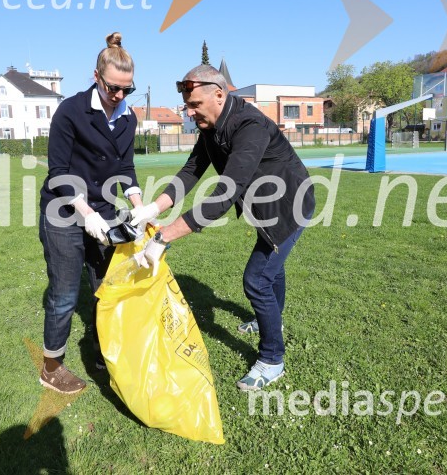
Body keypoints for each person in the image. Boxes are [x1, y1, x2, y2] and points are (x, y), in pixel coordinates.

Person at [130, 65, 315, 391]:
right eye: (187, 106)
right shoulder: (210, 126)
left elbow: (225, 193)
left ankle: (273, 359)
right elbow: (191, 172)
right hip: (266, 210)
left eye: (194, 105)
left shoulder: (250, 125)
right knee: (273, 271)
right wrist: (152, 208)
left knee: (257, 279)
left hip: (290, 208)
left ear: (219, 94)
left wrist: (163, 237)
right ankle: (272, 321)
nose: (189, 113)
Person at [38, 32, 143, 394]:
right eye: (114, 87)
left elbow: (126, 170)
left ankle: (104, 351)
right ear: (96, 77)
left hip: (101, 208)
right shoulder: (71, 111)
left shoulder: (129, 119)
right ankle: (51, 368)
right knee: (65, 293)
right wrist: (86, 214)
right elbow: (58, 173)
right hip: (63, 211)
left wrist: (139, 207)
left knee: (106, 287)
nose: (119, 96)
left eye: (127, 89)